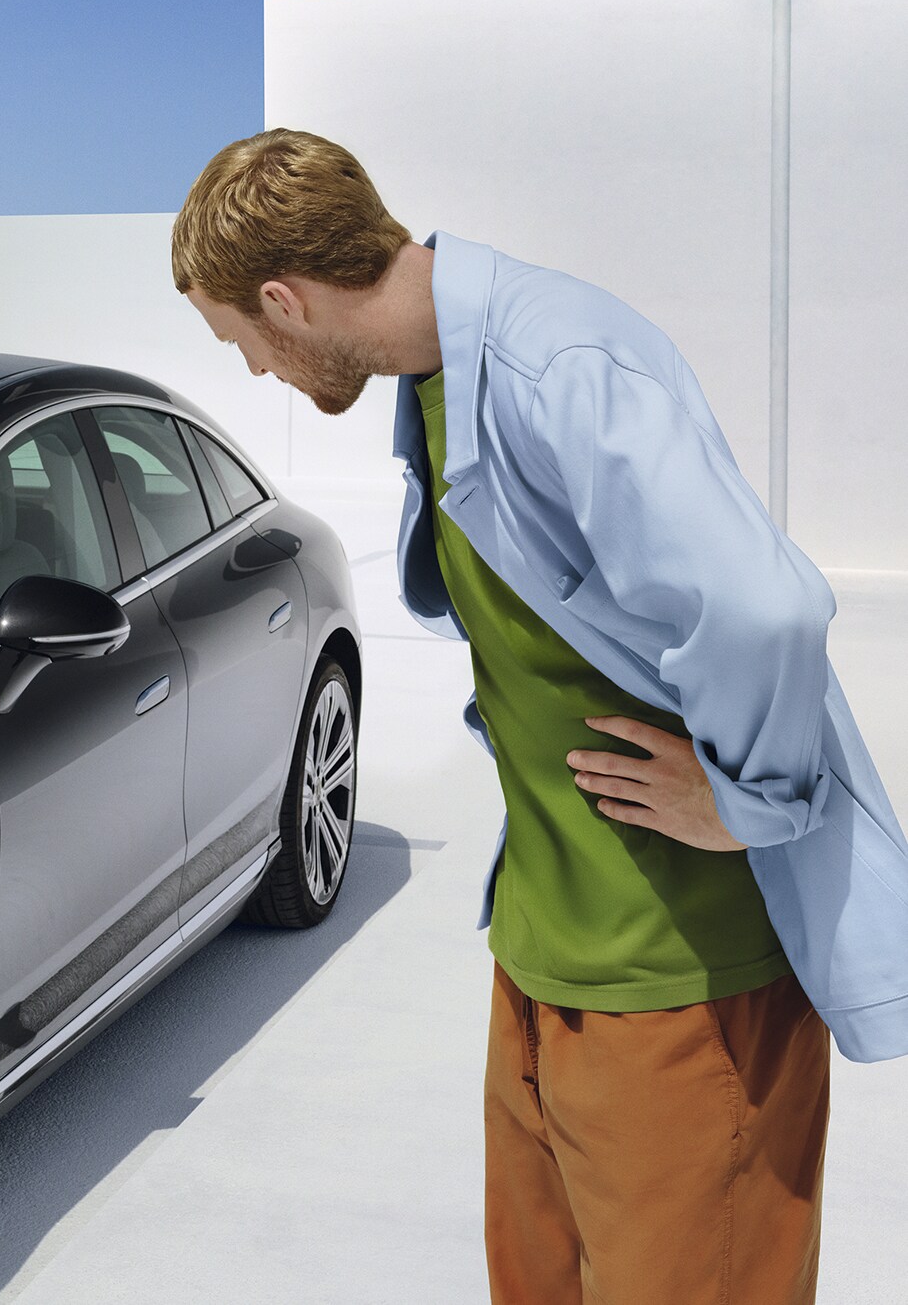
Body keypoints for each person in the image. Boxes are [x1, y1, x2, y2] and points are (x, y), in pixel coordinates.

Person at [168, 126, 908, 1303]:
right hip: (546, 962)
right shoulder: (436, 379)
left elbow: (765, 607)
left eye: (242, 342)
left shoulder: (555, 364)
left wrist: (749, 802)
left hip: (681, 979)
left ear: (284, 299)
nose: (255, 370)